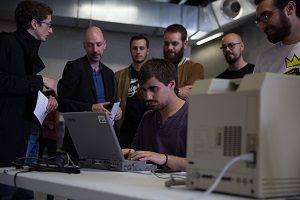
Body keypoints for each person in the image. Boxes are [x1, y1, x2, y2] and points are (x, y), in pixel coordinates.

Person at [0, 0, 57, 199]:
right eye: (48, 25)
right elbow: (3, 82)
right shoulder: (5, 42)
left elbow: (23, 88)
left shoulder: (30, 50)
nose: (51, 30)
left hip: (30, 132)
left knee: (24, 194)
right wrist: (39, 80)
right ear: (34, 24)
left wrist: (47, 98)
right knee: (6, 191)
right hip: (9, 136)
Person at [57, 26, 122, 161]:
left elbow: (108, 103)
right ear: (84, 46)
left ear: (104, 44)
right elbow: (61, 102)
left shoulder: (109, 73)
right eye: (90, 45)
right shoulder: (74, 67)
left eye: (98, 45)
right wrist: (90, 108)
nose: (95, 50)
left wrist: (117, 111)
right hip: (78, 140)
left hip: (103, 139)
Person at [123, 58, 188, 172]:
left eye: (153, 89)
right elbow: (137, 151)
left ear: (172, 84)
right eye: (144, 90)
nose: (147, 97)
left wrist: (165, 159)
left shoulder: (194, 116)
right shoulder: (147, 117)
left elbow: (205, 165)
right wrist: (132, 153)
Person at [114, 35, 150, 148]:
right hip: (124, 132)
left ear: (147, 51)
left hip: (146, 132)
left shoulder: (154, 77)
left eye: (142, 48)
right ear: (130, 50)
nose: (138, 51)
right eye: (135, 48)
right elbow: (113, 101)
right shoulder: (119, 76)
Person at [253, 0, 300, 75]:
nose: (261, 27)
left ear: (290, 8)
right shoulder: (264, 60)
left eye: (266, 16)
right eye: (259, 21)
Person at [163, 24, 205, 100]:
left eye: (174, 44)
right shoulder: (156, 67)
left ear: (184, 44)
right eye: (166, 43)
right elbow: (142, 93)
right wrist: (178, 91)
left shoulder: (195, 68)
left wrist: (160, 92)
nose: (169, 48)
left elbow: (188, 94)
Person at [39, 91, 60, 159]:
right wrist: (49, 124)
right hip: (48, 136)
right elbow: (54, 124)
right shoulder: (55, 110)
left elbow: (55, 124)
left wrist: (45, 124)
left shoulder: (51, 109)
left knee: (47, 157)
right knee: (50, 157)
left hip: (47, 135)